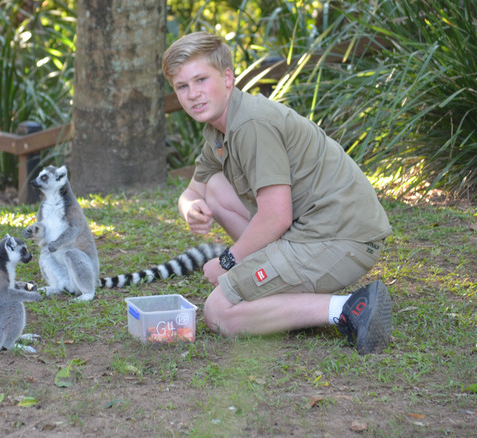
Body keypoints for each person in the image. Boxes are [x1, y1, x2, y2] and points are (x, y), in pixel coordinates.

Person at [161, 32, 393, 355]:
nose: (192, 95)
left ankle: (348, 308)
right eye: (182, 87)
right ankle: (288, 300)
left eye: (201, 80)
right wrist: (189, 207)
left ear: (227, 78)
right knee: (215, 188)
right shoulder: (219, 127)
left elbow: (276, 215)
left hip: (341, 238)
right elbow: (194, 190)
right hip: (311, 231)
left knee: (218, 312)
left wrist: (228, 261)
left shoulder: (250, 125)